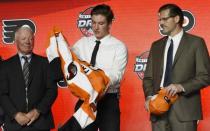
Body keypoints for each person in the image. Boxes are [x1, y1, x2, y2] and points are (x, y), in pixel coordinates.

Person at [143, 3, 210, 131]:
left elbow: (206, 76)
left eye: (164, 19)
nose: (161, 23)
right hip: (158, 111)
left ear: (177, 19)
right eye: (159, 19)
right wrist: (150, 97)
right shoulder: (156, 45)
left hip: (184, 110)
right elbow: (148, 77)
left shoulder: (196, 43)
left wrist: (181, 86)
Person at [72, 4, 128, 131]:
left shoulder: (119, 46)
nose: (96, 27)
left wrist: (99, 82)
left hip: (107, 100)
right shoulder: (82, 43)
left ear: (109, 24)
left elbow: (117, 75)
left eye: (101, 23)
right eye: (93, 23)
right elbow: (68, 60)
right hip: (85, 99)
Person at [0, 25, 57, 131]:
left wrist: (38, 110)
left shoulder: (45, 63)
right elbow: (2, 94)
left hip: (40, 123)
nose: (28, 41)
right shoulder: (5, 66)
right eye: (23, 38)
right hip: (14, 124)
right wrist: (15, 114)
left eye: (31, 38)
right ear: (16, 41)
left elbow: (52, 90)